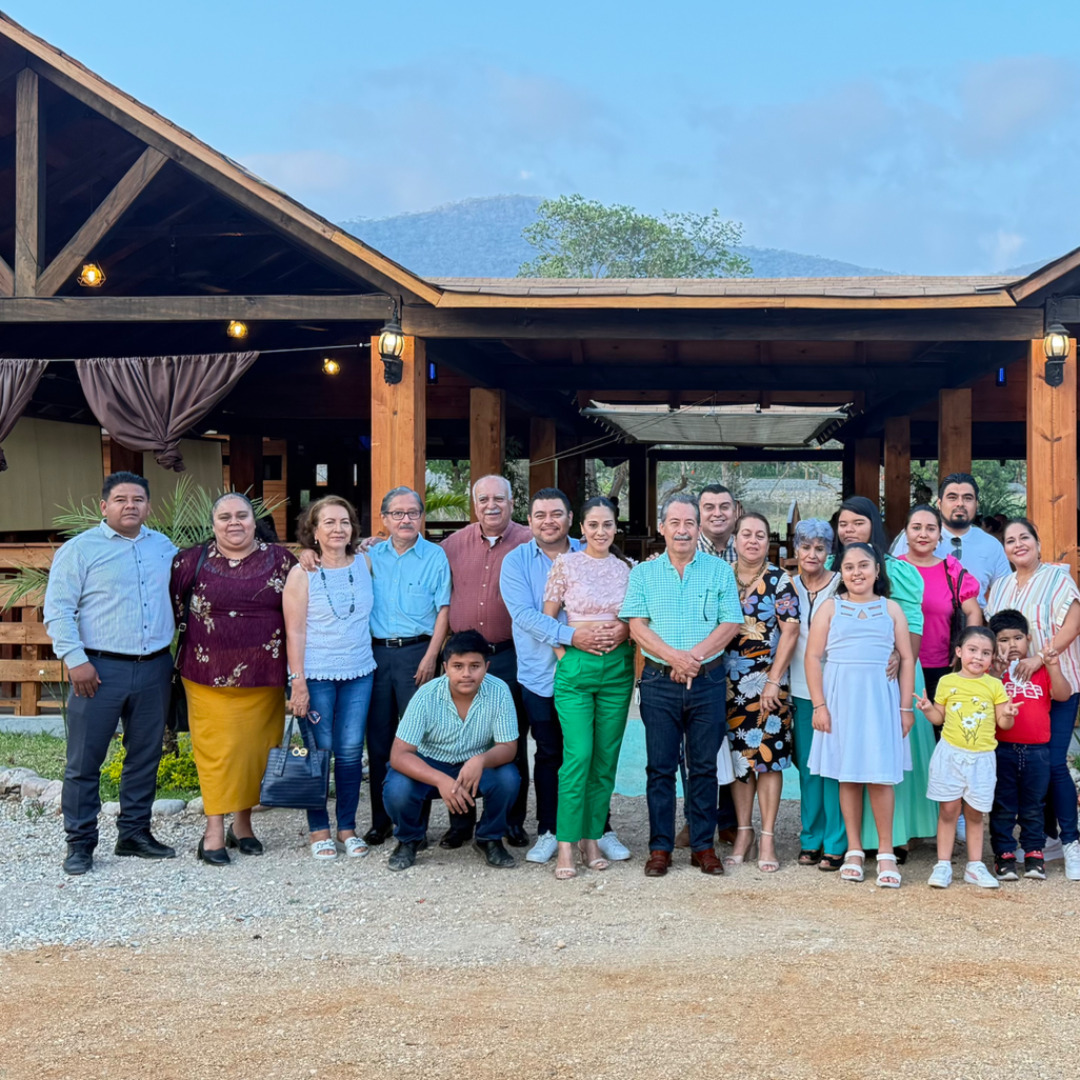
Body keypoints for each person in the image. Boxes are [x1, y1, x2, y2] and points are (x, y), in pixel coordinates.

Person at [43, 472, 178, 876]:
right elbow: (58, 610)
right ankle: (80, 843)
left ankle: (134, 833)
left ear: (148, 506)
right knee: (84, 761)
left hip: (154, 667)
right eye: (120, 499)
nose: (129, 506)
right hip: (97, 670)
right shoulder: (80, 550)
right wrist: (75, 660)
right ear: (104, 506)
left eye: (138, 499)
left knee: (145, 756)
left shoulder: (164, 548)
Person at [499, 488, 629, 865]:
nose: (548, 521)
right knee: (553, 753)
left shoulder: (603, 554)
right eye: (540, 515)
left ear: (571, 520)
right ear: (529, 520)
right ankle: (550, 831)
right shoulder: (517, 561)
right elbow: (527, 615)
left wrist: (623, 630)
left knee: (598, 753)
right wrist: (569, 642)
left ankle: (597, 830)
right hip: (544, 672)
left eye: (556, 514)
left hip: (604, 669)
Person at [620, 493, 744, 877]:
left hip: (707, 680)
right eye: (674, 523)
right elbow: (636, 625)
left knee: (703, 767)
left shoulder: (719, 571)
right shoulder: (644, 573)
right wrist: (674, 658)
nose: (682, 530)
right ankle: (660, 847)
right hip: (659, 680)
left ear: (698, 527)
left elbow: (730, 622)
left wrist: (693, 659)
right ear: (662, 528)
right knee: (659, 767)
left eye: (689, 522)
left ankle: (703, 846)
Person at [170, 493, 296, 865]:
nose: (234, 522)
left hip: (264, 676)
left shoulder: (282, 560)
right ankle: (213, 830)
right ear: (213, 524)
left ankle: (242, 826)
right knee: (217, 754)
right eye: (225, 517)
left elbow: (299, 613)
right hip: (206, 675)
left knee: (255, 752)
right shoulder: (189, 561)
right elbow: (172, 610)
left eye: (242, 515)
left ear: (255, 522)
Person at [806, 542, 916, 888]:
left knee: (881, 776)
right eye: (849, 567)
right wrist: (819, 705)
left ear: (877, 570)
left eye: (864, 565)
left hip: (880, 700)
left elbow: (907, 657)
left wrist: (906, 708)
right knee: (848, 775)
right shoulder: (830, 607)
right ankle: (854, 850)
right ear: (841, 573)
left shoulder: (891, 609)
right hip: (841, 700)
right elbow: (813, 657)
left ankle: (885, 852)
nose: (857, 572)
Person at [833, 495, 937, 858]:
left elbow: (913, 622)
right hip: (848, 677)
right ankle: (851, 840)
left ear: (874, 526)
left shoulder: (898, 570)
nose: (849, 530)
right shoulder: (833, 567)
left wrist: (898, 654)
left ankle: (898, 835)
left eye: (858, 522)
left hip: (893, 673)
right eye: (843, 524)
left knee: (890, 753)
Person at [542, 496, 636, 879]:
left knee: (605, 759)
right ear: (581, 528)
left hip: (618, 669)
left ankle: (592, 837)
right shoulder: (565, 563)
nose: (600, 531)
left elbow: (638, 618)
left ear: (615, 528)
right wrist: (564, 655)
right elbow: (547, 619)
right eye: (593, 524)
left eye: (607, 524)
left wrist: (624, 629)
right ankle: (566, 842)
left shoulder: (628, 568)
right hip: (576, 668)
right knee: (578, 755)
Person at [985, 518, 1080, 881]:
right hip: (1013, 689)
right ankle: (1044, 838)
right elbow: (995, 634)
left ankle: (1071, 841)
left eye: (1024, 537)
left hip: (1057, 680)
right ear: (1005, 550)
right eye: (1010, 540)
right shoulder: (1001, 586)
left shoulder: (1057, 578)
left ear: (1038, 543)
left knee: (1053, 763)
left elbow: (1073, 624)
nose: (1018, 544)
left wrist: (1041, 657)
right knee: (1021, 767)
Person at [441, 475, 532, 847]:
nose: (491, 505)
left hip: (510, 655)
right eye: (483, 499)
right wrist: (369, 545)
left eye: (499, 498)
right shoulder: (451, 545)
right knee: (461, 739)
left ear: (512, 502)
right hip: (463, 660)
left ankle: (511, 821)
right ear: (474, 504)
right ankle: (461, 823)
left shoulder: (530, 541)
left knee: (512, 738)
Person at [283, 496, 375, 860]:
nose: (338, 529)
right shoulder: (301, 573)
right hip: (316, 675)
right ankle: (319, 829)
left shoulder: (366, 561)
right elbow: (294, 632)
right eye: (329, 523)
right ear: (314, 531)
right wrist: (298, 681)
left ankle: (347, 827)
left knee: (350, 752)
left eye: (345, 522)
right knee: (319, 753)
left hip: (359, 673)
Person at [383, 630, 520, 871]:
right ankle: (409, 839)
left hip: (474, 765)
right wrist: (440, 780)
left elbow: (508, 748)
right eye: (458, 666)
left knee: (508, 778)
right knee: (397, 788)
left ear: (486, 667)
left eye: (474, 666)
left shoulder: (499, 691)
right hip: (431, 763)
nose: (466, 674)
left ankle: (489, 838)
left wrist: (480, 760)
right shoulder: (426, 695)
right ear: (445, 667)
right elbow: (399, 754)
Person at [362, 487, 451, 847]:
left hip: (418, 653)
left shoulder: (435, 556)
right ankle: (381, 821)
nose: (405, 519)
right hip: (376, 655)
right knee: (378, 739)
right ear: (384, 519)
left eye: (413, 512)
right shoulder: (368, 556)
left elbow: (443, 610)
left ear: (421, 517)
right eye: (397, 513)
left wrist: (432, 656)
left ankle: (415, 825)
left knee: (418, 739)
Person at [722, 513, 800, 873]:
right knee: (740, 760)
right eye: (746, 534)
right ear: (735, 539)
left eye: (760, 535)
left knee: (768, 758)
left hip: (769, 682)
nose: (752, 541)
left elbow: (791, 631)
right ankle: (744, 832)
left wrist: (773, 680)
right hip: (727, 684)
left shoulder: (779, 580)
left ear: (769, 542)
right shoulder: (721, 574)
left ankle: (768, 836)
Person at [917, 626, 1017, 889]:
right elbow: (939, 718)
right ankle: (943, 864)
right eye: (973, 650)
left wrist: (1008, 714)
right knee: (948, 810)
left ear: (992, 657)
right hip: (950, 755)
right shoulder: (947, 682)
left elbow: (1003, 723)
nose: (978, 657)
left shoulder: (994, 685)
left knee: (975, 812)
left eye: (985, 653)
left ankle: (975, 866)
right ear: (959, 651)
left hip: (982, 759)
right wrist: (927, 709)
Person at [987, 609, 1072, 881]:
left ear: (1029, 638)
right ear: (994, 643)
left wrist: (1052, 665)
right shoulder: (993, 673)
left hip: (1038, 751)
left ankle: (1034, 853)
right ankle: (1004, 855)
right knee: (1003, 805)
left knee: (1034, 805)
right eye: (1003, 640)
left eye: (1018, 638)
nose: (1012, 645)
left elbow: (1063, 694)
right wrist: (996, 674)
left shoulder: (1040, 670)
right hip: (1003, 750)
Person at [787, 519, 845, 872]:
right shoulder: (786, 586)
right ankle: (811, 837)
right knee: (809, 768)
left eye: (820, 548)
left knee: (834, 769)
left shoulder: (841, 585)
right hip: (798, 689)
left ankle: (836, 842)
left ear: (830, 552)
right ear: (796, 549)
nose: (812, 554)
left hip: (837, 690)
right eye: (806, 547)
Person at [899, 504, 982, 699]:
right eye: (916, 527)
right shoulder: (894, 569)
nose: (923, 534)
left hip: (942, 669)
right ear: (906, 533)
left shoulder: (951, 570)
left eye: (931, 528)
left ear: (939, 535)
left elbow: (973, 611)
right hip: (899, 665)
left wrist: (966, 649)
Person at [891, 473, 1010, 606]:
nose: (960, 503)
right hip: (919, 617)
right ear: (939, 503)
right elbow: (891, 583)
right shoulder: (914, 536)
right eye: (952, 497)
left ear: (976, 504)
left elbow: (1005, 595)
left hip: (976, 616)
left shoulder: (991, 545)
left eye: (967, 498)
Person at [697, 484, 740, 563]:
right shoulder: (687, 551)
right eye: (709, 508)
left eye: (724, 507)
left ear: (734, 512)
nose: (717, 514)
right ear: (699, 513)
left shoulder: (747, 549)